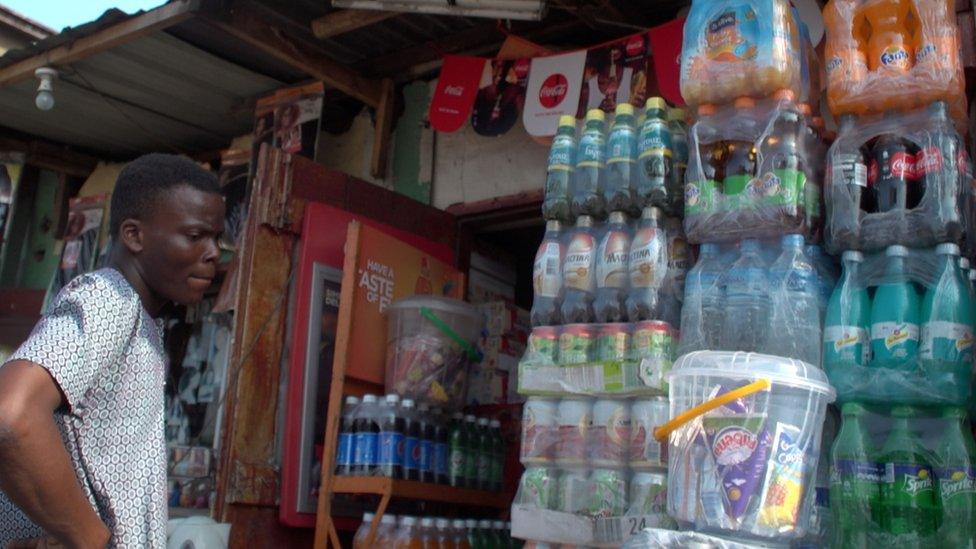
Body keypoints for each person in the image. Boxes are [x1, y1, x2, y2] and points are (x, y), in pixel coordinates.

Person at [0, 153, 225, 548]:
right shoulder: (109, 300)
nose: (213, 253)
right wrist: (93, 540)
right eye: (195, 236)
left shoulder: (141, 323)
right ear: (134, 235)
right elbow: (10, 415)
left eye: (217, 239)